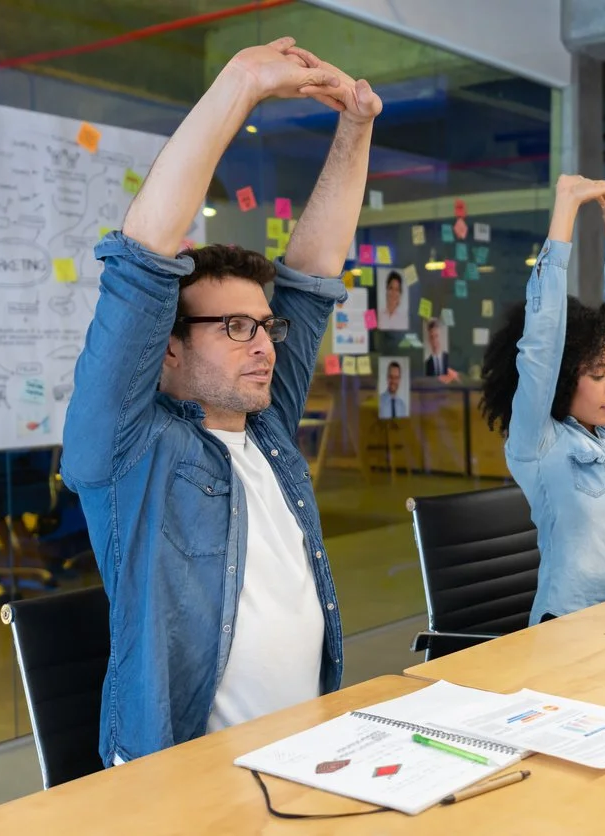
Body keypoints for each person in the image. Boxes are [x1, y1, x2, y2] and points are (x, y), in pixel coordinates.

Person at [60, 38, 381, 767]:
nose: (263, 345)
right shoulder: (127, 450)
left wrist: (356, 126)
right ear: (167, 347)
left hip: (309, 751)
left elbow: (313, 275)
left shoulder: (264, 427)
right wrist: (239, 84)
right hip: (187, 774)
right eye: (234, 328)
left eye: (264, 327)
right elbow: (141, 261)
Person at [480, 158, 605, 624]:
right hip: (569, 634)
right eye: (598, 374)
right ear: (563, 376)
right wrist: (565, 211)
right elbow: (541, 344)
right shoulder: (539, 442)